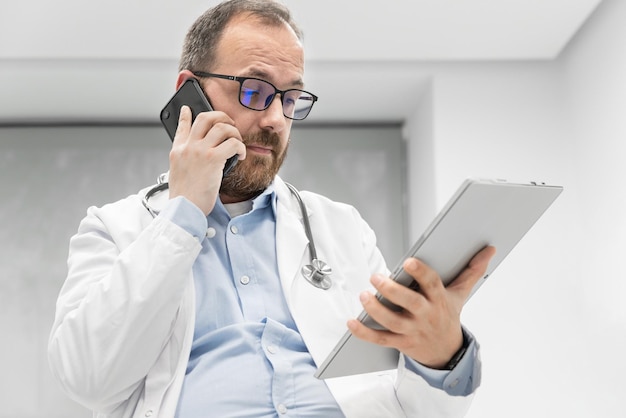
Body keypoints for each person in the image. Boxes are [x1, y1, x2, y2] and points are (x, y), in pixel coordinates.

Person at [48, 1, 496, 417]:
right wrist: (181, 216)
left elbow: (410, 406)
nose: (276, 120)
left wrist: (440, 357)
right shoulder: (114, 228)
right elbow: (88, 379)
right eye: (255, 90)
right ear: (190, 92)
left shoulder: (341, 228)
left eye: (289, 98)